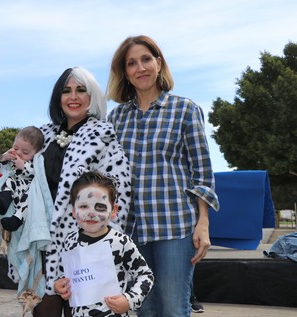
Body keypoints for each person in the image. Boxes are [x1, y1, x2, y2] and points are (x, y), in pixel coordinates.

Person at [106, 35, 220, 317]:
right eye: (131, 63)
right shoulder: (116, 118)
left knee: (172, 308)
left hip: (176, 228)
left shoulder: (185, 110)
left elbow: (202, 174)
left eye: (146, 59)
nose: (140, 67)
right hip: (132, 230)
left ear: (158, 63)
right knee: (144, 309)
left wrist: (203, 223)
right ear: (125, 73)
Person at [33, 67, 133, 317]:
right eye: (66, 91)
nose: (73, 97)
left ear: (92, 97)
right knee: (44, 311)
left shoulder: (102, 134)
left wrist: (104, 242)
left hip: (86, 245)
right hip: (42, 244)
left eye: (81, 90)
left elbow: (119, 190)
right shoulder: (41, 135)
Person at [54, 170, 154, 317]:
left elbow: (145, 275)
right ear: (74, 211)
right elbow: (64, 273)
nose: (91, 213)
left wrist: (130, 299)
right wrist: (59, 286)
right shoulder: (70, 241)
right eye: (83, 206)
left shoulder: (121, 242)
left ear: (113, 211)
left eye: (100, 206)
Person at [0, 125, 44, 232]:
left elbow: (37, 173)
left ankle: (17, 219)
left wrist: (23, 166)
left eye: (25, 152)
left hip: (27, 190)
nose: (18, 153)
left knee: (28, 201)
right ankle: (2, 202)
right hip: (13, 186)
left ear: (36, 154)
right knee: (9, 181)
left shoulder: (37, 162)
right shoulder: (11, 156)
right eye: (16, 148)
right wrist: (4, 158)